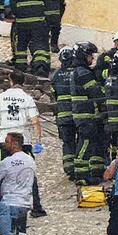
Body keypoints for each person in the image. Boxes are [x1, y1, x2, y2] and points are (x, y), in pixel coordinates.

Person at [0, 70, 47, 217]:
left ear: (10, 80)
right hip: (23, 141)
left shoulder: (1, 97)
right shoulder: (27, 98)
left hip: (4, 140)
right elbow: (35, 122)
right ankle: (36, 208)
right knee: (29, 174)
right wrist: (38, 141)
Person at [0, 131, 36, 235]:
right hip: (25, 202)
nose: (5, 144)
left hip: (10, 201)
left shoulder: (7, 162)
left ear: (15, 144)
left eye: (7, 141)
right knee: (21, 231)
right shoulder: (30, 160)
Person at [70, 42, 107, 185]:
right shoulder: (83, 72)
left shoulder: (80, 71)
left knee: (91, 143)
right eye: (90, 55)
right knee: (84, 143)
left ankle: (92, 173)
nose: (92, 58)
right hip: (85, 115)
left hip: (87, 115)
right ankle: (81, 174)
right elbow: (95, 92)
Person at [8, 0, 51, 77]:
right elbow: (46, 2)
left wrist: (17, 15)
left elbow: (12, 4)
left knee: (21, 46)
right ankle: (40, 68)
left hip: (22, 23)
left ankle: (20, 70)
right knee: (39, 46)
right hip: (39, 22)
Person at [50, 46, 77, 179]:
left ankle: (69, 168)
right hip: (79, 114)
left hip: (63, 116)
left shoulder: (55, 75)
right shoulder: (78, 73)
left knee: (67, 142)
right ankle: (79, 166)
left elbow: (53, 95)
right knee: (81, 140)